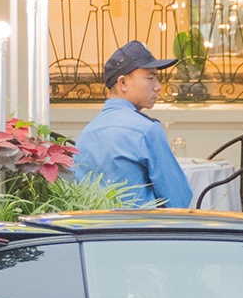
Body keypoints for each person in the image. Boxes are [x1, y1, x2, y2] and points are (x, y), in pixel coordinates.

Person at [74, 40, 194, 208]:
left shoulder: (86, 134)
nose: (158, 87)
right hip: (140, 224)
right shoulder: (146, 130)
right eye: (150, 78)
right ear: (123, 83)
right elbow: (178, 198)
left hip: (91, 225)